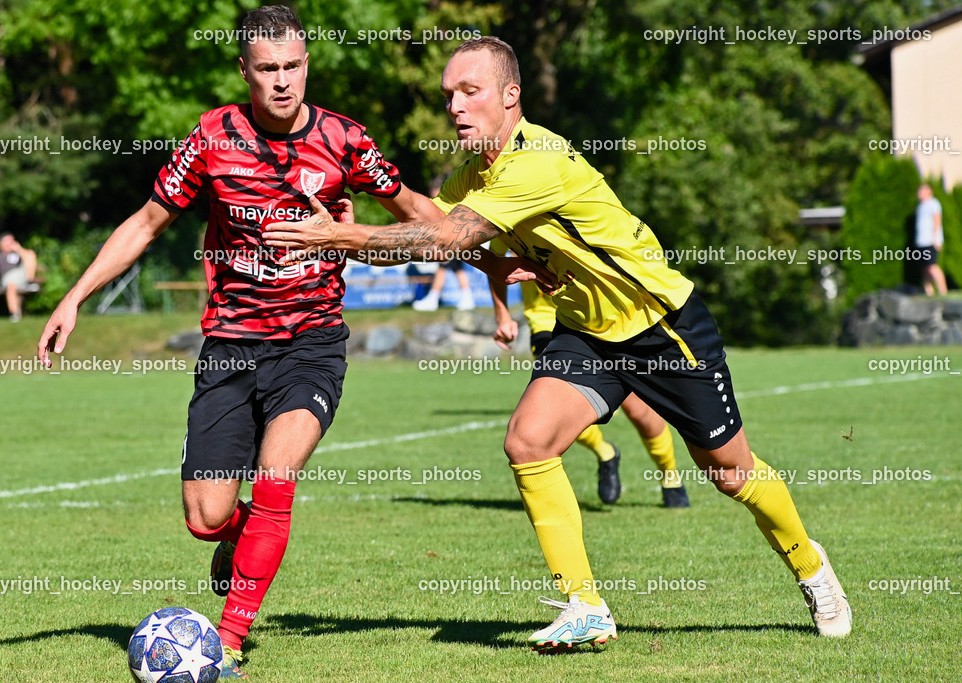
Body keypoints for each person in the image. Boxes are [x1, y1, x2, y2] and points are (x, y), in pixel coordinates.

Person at [266, 36, 851, 648]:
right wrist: (344, 226)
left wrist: (338, 235)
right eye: (448, 96)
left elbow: (443, 244)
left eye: (471, 92)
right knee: (527, 440)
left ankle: (812, 568)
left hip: (659, 325)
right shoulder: (475, 171)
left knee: (729, 475)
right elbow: (425, 232)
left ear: (510, 96)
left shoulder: (534, 162)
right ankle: (585, 604)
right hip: (586, 332)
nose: (456, 108)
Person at [36, 9, 533, 678]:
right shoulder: (212, 138)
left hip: (312, 343)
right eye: (266, 68)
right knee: (205, 515)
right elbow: (147, 223)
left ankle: (230, 639)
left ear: (307, 65)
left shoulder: (344, 140)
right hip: (232, 344)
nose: (281, 81)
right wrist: (74, 296)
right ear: (244, 70)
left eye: (292, 66)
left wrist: (492, 259)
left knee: (277, 474)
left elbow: (419, 212)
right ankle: (234, 536)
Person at [487, 258, 689, 507]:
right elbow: (495, 262)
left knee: (638, 411)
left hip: (605, 321)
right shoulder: (507, 223)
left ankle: (670, 477)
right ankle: (606, 451)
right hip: (548, 326)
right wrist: (503, 315)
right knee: (550, 414)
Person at [0, 232, 38, 322]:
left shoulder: (19, 254)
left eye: (13, 241)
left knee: (31, 254)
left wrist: (19, 249)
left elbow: (30, 258)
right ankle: (14, 314)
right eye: (9, 242)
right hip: (7, 280)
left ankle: (30, 282)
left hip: (21, 278)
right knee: (11, 286)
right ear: (1, 244)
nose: (12, 244)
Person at [915, 184, 947, 296]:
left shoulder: (933, 203)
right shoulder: (921, 206)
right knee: (925, 268)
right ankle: (929, 292)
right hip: (921, 242)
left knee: (932, 266)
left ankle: (943, 291)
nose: (919, 192)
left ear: (928, 191)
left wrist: (936, 239)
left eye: (921, 190)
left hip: (930, 241)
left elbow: (937, 221)